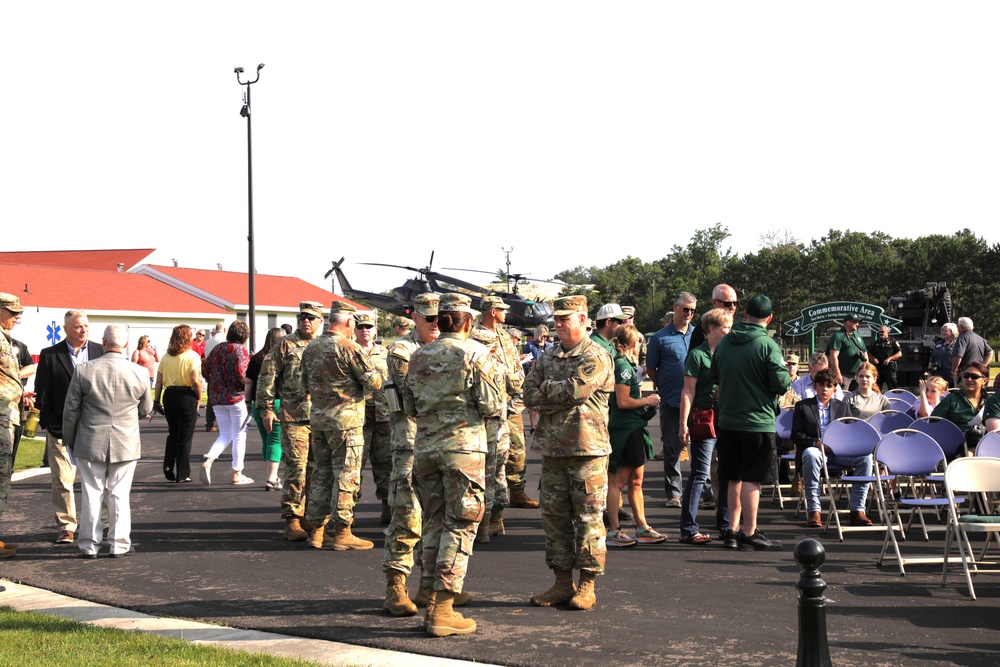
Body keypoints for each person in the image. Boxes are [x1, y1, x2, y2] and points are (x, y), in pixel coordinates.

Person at [403, 293, 503, 637]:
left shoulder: (419, 355)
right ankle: (443, 609)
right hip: (463, 451)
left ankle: (432, 598)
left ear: (441, 319)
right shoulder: (476, 353)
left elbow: (409, 405)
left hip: (426, 449)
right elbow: (491, 405)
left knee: (433, 523)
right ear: (468, 322)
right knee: (460, 525)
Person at [524, 295, 614, 611]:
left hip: (587, 451)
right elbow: (528, 393)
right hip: (552, 451)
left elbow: (575, 391)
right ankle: (563, 583)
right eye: (557, 319)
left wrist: (550, 390)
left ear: (582, 319)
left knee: (588, 520)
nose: (559, 324)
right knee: (554, 520)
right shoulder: (548, 356)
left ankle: (587, 586)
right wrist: (555, 391)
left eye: (565, 318)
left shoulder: (596, 356)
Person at [63, 324, 153, 558]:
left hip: (90, 439)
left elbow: (71, 410)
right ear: (125, 344)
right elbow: (146, 409)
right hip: (125, 440)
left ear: (103, 342)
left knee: (92, 493)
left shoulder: (84, 370)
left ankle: (89, 545)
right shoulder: (140, 373)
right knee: (119, 494)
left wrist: (70, 440)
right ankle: (119, 544)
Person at [301, 301, 383, 551]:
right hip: (346, 422)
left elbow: (303, 384)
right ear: (349, 322)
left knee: (320, 474)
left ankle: (316, 531)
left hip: (319, 420)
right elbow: (375, 381)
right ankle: (342, 531)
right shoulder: (349, 347)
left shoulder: (311, 347)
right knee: (347, 476)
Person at [711, 295, 790, 551]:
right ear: (769, 318)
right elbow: (781, 383)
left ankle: (731, 530)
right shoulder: (768, 345)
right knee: (752, 479)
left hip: (728, 420)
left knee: (733, 477)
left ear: (744, 314)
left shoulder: (724, 344)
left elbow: (715, 375)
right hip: (757, 421)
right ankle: (750, 530)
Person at [382, 293, 441, 618]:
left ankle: (429, 587)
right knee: (407, 518)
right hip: (411, 445)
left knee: (438, 520)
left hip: (439, 445)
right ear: (415, 317)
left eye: (439, 318)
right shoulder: (402, 350)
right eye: (428, 318)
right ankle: (395, 588)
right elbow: (419, 392)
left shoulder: (445, 347)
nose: (434, 323)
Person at [34, 309, 105, 544]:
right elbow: (42, 392)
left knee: (97, 479)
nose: (83, 329)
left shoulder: (100, 351)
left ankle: (102, 524)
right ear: (66, 329)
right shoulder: (50, 355)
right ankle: (66, 526)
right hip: (60, 428)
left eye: (85, 325)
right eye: (77, 326)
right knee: (63, 480)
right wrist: (48, 422)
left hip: (94, 427)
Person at [256, 301, 323, 542]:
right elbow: (267, 377)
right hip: (293, 416)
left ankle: (308, 515)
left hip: (321, 417)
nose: (306, 320)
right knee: (297, 467)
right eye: (302, 316)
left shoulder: (323, 345)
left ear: (320, 321)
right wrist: (266, 408)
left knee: (317, 470)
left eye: (311, 317)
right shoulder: (285, 344)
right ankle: (292, 518)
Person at [477, 295, 536, 518]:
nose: (506, 312)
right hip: (490, 404)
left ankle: (517, 491)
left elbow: (514, 369)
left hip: (511, 404)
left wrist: (516, 398)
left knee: (517, 449)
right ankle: (490, 505)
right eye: (502, 309)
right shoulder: (476, 337)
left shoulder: (505, 336)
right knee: (493, 456)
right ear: (492, 311)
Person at [678, 308, 733, 545]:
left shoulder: (730, 354)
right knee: (700, 473)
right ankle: (689, 528)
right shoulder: (697, 356)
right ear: (711, 329)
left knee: (726, 473)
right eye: (726, 327)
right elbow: (688, 391)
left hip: (728, 419)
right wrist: (683, 423)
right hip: (704, 420)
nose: (730, 331)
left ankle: (725, 524)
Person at [606, 323, 663, 547]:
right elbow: (623, 401)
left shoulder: (628, 365)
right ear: (633, 343)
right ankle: (614, 531)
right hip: (625, 430)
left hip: (635, 428)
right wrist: (647, 401)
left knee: (637, 481)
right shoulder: (622, 366)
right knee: (617, 482)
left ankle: (642, 527)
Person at [791, 369, 867, 528]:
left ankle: (857, 510)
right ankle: (814, 511)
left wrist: (840, 444)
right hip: (816, 450)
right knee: (811, 454)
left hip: (839, 452)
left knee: (866, 458)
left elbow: (850, 432)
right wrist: (817, 443)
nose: (824, 389)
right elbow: (796, 435)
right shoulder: (803, 406)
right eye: (821, 385)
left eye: (829, 386)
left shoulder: (842, 407)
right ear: (814, 386)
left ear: (834, 388)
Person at [646, 292, 697, 508]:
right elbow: (651, 369)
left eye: (693, 310)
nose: (689, 313)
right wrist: (666, 387)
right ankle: (674, 493)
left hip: (697, 403)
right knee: (672, 449)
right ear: (675, 308)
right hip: (672, 402)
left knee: (703, 450)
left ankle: (702, 493)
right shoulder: (660, 338)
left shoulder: (699, 335)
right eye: (685, 309)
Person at [199, 320, 253, 486]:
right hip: (236, 398)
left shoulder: (217, 348)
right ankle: (237, 472)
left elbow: (206, 370)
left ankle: (208, 461)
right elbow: (242, 376)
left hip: (217, 398)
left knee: (225, 434)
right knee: (239, 436)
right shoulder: (241, 351)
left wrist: (215, 384)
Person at [0, 292, 33, 559]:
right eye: (13, 312)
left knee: (4, 478)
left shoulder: (6, 338)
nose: (17, 317)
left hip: (9, 414)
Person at [469, 327, 509, 545]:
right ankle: (491, 522)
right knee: (493, 477)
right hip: (497, 427)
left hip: (482, 427)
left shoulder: (475, 365)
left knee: (480, 477)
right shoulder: (500, 367)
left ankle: (482, 526)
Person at [354, 311, 392, 524]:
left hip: (384, 416)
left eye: (368, 327)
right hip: (359, 418)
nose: (365, 330)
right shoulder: (349, 352)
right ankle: (348, 511)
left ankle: (387, 507)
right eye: (361, 327)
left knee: (385, 464)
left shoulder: (385, 353)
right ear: (355, 330)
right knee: (355, 464)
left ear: (375, 329)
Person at [154, 325, 201, 484]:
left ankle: (168, 465)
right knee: (185, 437)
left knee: (173, 433)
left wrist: (156, 400)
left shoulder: (166, 357)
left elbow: (159, 381)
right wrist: (199, 397)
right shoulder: (192, 356)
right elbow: (195, 380)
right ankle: (183, 473)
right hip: (186, 395)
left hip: (169, 396)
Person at [245, 327, 286, 490]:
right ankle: (272, 478)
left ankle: (271, 474)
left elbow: (248, 382)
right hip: (275, 402)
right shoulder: (281, 359)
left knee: (266, 440)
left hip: (257, 404)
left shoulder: (257, 358)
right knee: (275, 440)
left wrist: (248, 402)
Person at [933, 361, 990, 433]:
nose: (969, 379)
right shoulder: (951, 399)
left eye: (974, 377)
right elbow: (934, 422)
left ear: (985, 381)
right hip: (956, 442)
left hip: (986, 442)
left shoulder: (990, 401)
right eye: (966, 376)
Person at [689, 284, 739, 349]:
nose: (732, 307)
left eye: (735, 303)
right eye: (727, 303)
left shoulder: (742, 326)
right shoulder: (702, 329)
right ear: (714, 302)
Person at [828, 314, 869, 390]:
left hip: (858, 374)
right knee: (843, 397)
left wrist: (867, 369)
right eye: (855, 322)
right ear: (848, 323)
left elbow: (864, 351)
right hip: (844, 375)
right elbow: (833, 356)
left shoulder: (858, 335)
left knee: (857, 397)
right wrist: (838, 374)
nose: (857, 324)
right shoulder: (838, 336)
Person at [951, 317, 994, 382]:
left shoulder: (962, 339)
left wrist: (954, 370)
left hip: (965, 374)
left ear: (961, 327)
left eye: (958, 326)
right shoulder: (980, 338)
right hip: (978, 374)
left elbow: (958, 356)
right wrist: (983, 366)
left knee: (963, 391)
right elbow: (990, 352)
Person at [202, 321, 226, 432]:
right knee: (224, 398)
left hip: (211, 373)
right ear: (224, 330)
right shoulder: (225, 341)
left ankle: (209, 423)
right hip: (223, 373)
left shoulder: (208, 341)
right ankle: (224, 423)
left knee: (211, 399)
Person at [869, 326, 902, 391]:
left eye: (882, 332)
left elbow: (899, 354)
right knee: (877, 388)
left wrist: (889, 358)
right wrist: (873, 359)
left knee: (892, 389)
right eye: (880, 332)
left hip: (889, 368)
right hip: (879, 368)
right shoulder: (877, 342)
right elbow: (870, 353)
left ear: (887, 332)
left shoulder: (892, 341)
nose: (881, 333)